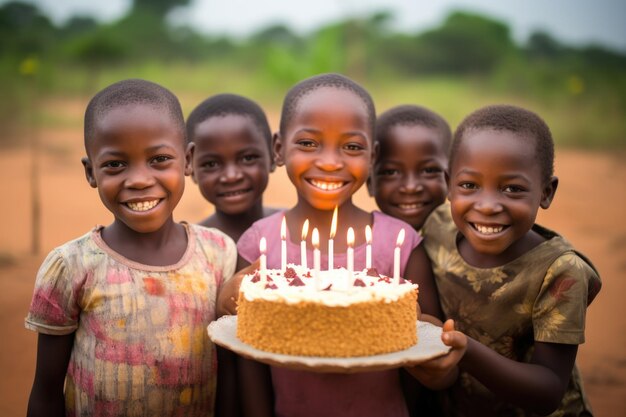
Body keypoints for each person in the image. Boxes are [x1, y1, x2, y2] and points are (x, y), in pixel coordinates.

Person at [221, 73, 466, 417]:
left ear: (373, 155)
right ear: (278, 148)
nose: (331, 162)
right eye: (308, 143)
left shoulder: (399, 244)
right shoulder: (260, 244)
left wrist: (441, 364)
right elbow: (246, 355)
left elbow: (426, 350)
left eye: (352, 147)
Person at [25, 79, 237, 417]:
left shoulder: (218, 253)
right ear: (91, 171)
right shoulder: (71, 266)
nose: (139, 179)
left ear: (188, 160)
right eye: (115, 164)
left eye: (159, 159)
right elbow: (46, 392)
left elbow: (229, 376)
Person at [422, 104, 602, 416]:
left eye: (512, 189)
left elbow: (548, 390)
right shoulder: (438, 227)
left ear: (546, 192)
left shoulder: (560, 271)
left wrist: (464, 349)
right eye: (469, 185)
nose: (488, 205)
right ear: (449, 185)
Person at [186, 93, 278, 243]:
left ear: (273, 155)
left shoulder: (298, 231)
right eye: (211, 164)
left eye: (248, 158)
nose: (231, 176)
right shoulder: (191, 249)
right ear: (190, 167)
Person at [369, 104, 451, 232]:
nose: (411, 187)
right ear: (370, 183)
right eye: (391, 172)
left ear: (451, 178)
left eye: (429, 171)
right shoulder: (364, 244)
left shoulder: (464, 242)